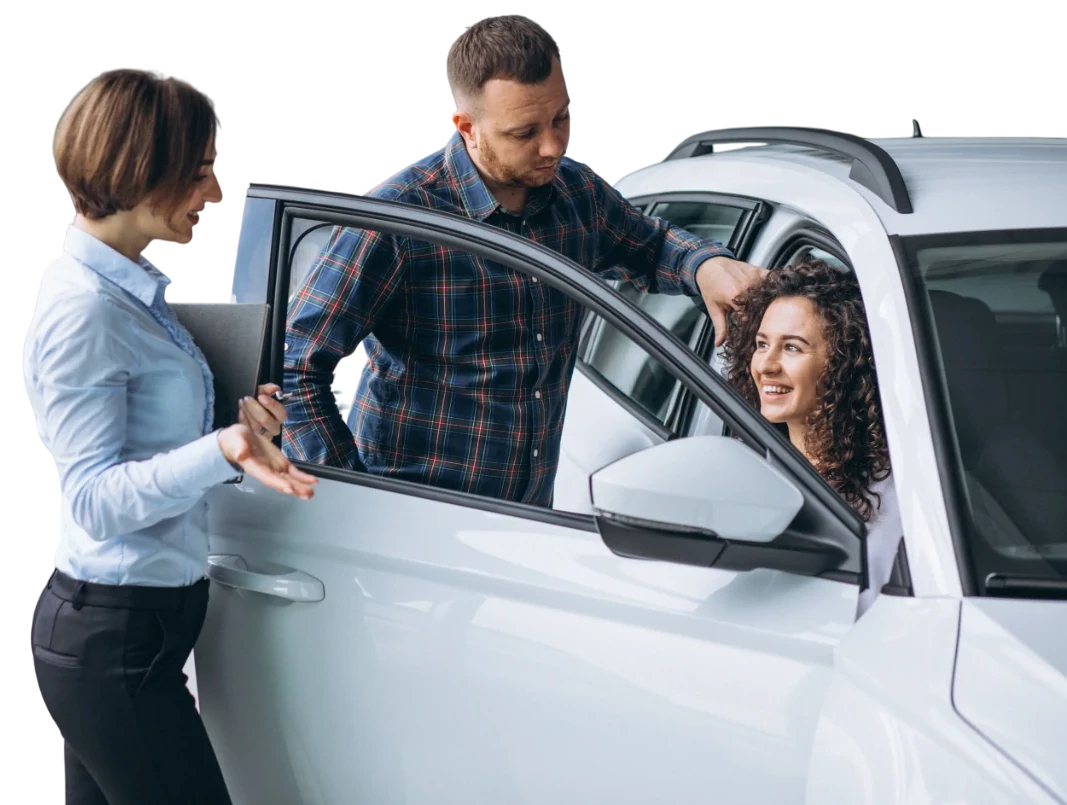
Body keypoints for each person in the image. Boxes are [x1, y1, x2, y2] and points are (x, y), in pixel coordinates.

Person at [283, 16, 766, 506]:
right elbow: (295, 365)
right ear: (467, 129)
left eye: (561, 118)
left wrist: (704, 265)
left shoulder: (577, 195)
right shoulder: (401, 219)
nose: (553, 146)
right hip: (413, 512)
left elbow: (652, 246)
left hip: (528, 519)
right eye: (524, 132)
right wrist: (352, 498)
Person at [29, 69, 318, 805]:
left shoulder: (135, 290)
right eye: (197, 173)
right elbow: (93, 500)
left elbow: (152, 445)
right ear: (137, 169)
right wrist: (221, 450)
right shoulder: (87, 309)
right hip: (113, 642)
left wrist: (238, 431)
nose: (214, 193)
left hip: (134, 636)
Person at [720, 258, 902, 618]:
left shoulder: (893, 493)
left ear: (845, 363)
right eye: (761, 344)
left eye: (792, 347)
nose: (765, 365)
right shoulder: (744, 468)